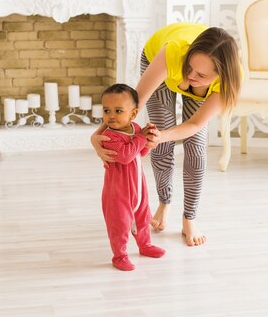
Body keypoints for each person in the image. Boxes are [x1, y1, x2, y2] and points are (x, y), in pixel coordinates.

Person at [92, 23, 242, 247]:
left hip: (203, 89)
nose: (191, 75)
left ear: (220, 75)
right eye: (190, 67)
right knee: (158, 135)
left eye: (200, 74)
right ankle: (164, 201)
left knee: (196, 146)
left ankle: (189, 218)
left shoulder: (229, 84)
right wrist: (97, 135)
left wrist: (164, 135)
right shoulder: (173, 54)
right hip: (161, 61)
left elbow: (194, 125)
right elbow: (133, 105)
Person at [100, 83, 166, 271]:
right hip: (118, 192)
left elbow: (140, 152)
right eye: (106, 110)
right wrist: (141, 139)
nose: (111, 115)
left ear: (133, 114)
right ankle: (119, 255)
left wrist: (149, 139)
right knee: (119, 224)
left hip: (138, 186)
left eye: (118, 110)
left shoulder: (134, 129)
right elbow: (125, 155)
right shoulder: (109, 136)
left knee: (143, 217)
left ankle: (145, 245)